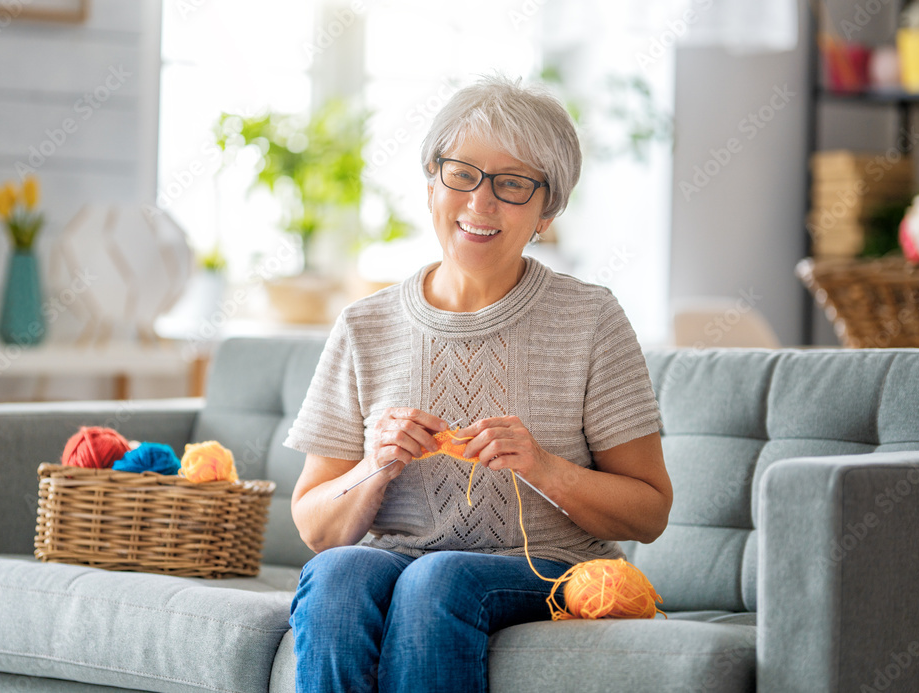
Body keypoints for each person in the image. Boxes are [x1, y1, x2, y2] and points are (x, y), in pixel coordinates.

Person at [284, 75, 672, 693]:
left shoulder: (591, 318)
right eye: (462, 173)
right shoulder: (365, 324)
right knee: (339, 575)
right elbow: (316, 527)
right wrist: (375, 465)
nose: (480, 203)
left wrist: (542, 467)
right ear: (433, 181)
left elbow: (649, 511)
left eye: (513, 184)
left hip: (547, 567)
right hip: (396, 560)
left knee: (437, 580)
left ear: (548, 210)